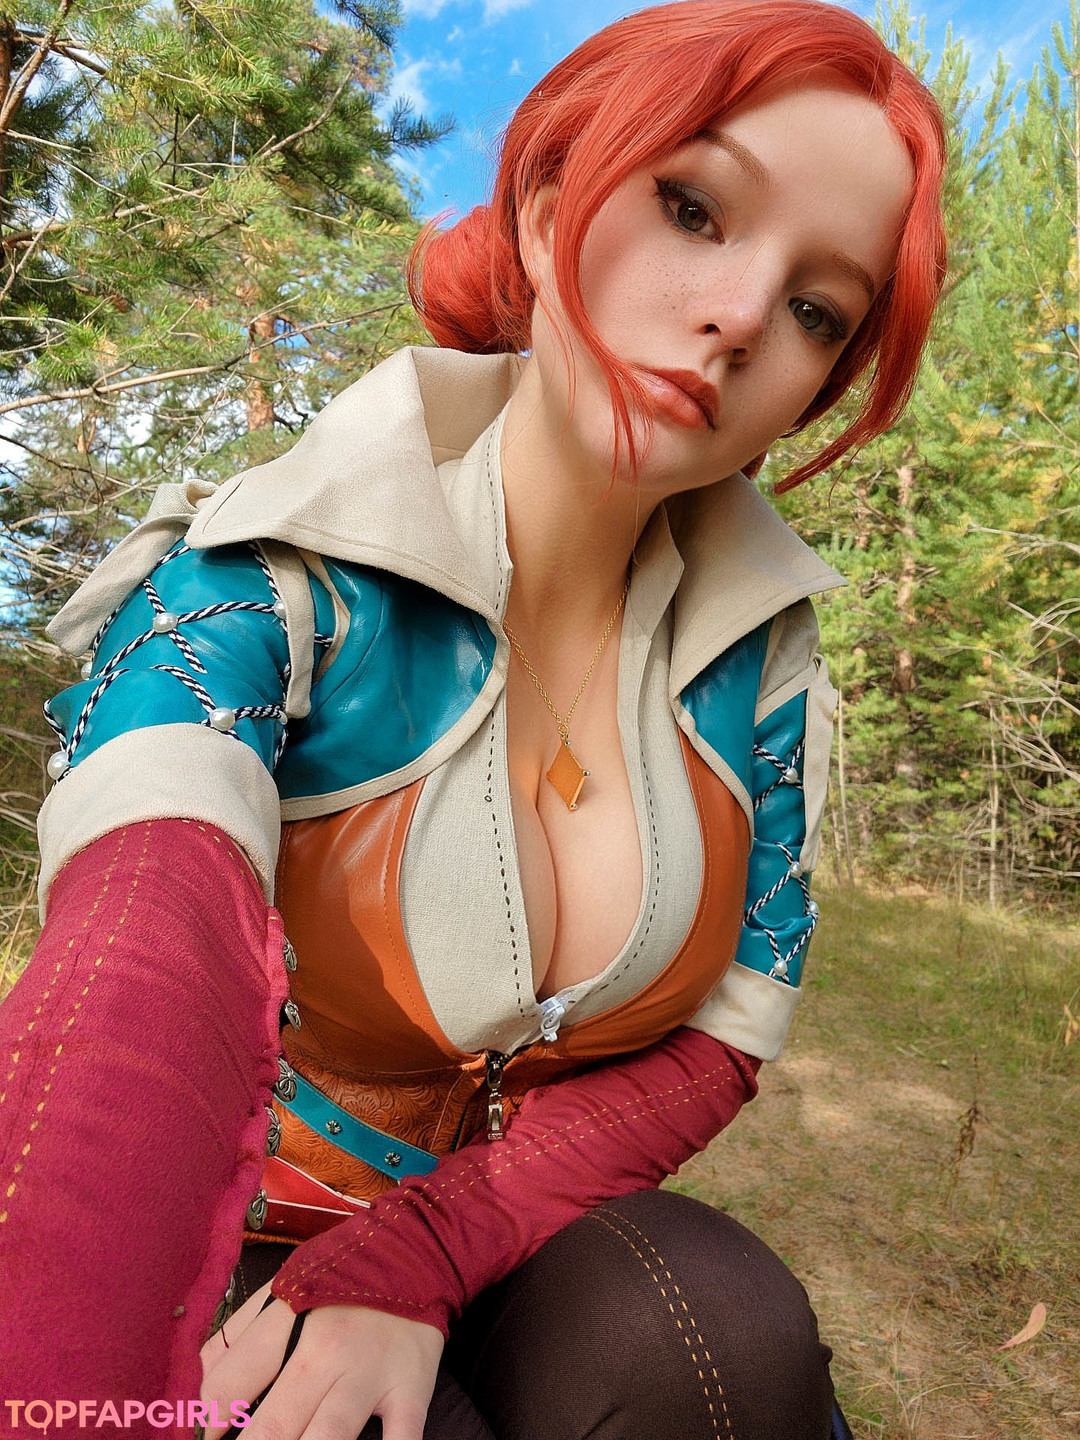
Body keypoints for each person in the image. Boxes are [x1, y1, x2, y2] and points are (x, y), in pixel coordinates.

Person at [0, 1, 946, 1436]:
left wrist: (430, 1249)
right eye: (694, 208)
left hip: (515, 1233)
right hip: (220, 1241)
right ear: (554, 197)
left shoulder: (763, 662)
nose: (744, 316)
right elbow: (147, 936)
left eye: (820, 310)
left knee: (721, 1333)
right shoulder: (266, 576)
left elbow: (727, 1035)